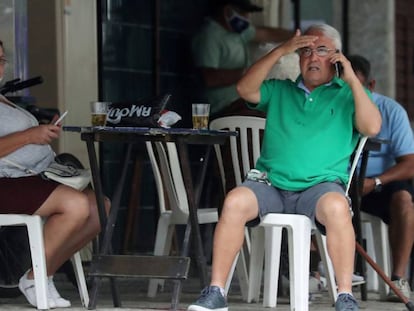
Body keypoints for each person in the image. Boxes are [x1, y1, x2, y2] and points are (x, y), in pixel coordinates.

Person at [187, 24, 382, 311]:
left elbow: (372, 126)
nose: (312, 57)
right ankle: (216, 292)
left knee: (338, 208)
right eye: (305, 50)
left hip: (320, 188)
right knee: (234, 201)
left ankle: (344, 296)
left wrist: (351, 78)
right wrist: (281, 50)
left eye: (322, 50)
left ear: (336, 57)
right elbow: (244, 88)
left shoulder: (348, 95)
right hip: (271, 184)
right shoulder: (280, 90)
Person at [0, 39, 110, 309]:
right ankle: (35, 278)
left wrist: (40, 135)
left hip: (32, 176)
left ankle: (41, 274)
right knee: (75, 205)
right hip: (7, 182)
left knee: (100, 207)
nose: (0, 66)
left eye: (2, 59)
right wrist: (29, 136)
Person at [348, 54, 414, 302]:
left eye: (357, 86)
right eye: (345, 86)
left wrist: (375, 182)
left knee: (404, 200)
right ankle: (315, 273)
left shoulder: (391, 111)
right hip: (340, 182)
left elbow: (410, 163)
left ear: (371, 86)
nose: (350, 93)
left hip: (377, 184)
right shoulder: (331, 107)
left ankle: (397, 280)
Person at [191, 0, 293, 119]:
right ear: (227, 10)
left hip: (244, 102)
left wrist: (297, 37)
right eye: (243, 13)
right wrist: (250, 73)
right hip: (223, 108)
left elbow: (266, 33)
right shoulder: (209, 35)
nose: (247, 18)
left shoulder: (237, 32)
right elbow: (209, 78)